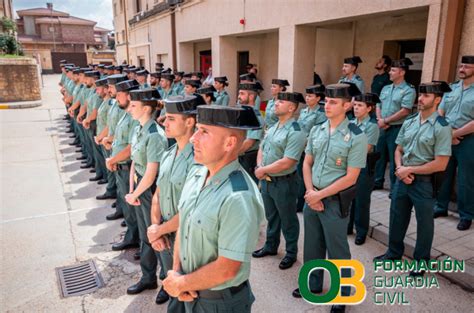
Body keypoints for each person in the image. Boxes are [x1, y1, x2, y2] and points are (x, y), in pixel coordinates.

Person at [162, 105, 264, 313]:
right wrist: (177, 273)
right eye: (197, 129)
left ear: (230, 143)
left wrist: (181, 284)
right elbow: (185, 224)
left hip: (219, 302)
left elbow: (228, 267)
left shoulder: (238, 197)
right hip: (191, 290)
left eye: (204, 132)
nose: (194, 138)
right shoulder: (198, 173)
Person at [293, 83, 367, 313]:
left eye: (334, 102)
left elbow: (351, 177)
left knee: (338, 250)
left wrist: (319, 195)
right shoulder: (317, 129)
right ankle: (313, 285)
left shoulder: (356, 136)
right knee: (312, 245)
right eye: (327, 100)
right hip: (312, 196)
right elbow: (307, 162)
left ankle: (342, 294)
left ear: (347, 105)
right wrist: (310, 192)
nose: (327, 105)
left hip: (334, 202)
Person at [374, 81, 452, 276]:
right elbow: (398, 149)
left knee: (424, 223)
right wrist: (401, 169)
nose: (420, 98)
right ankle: (393, 254)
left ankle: (421, 262)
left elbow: (441, 163)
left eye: (426, 96)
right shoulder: (409, 121)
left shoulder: (442, 127)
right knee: (397, 218)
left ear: (438, 100)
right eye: (420, 94)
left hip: (424, 183)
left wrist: (410, 170)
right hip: (402, 178)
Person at [147, 95, 201, 311]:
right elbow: (157, 195)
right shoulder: (169, 153)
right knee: (173, 291)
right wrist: (156, 230)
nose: (163, 122)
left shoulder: (198, 160)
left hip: (187, 239)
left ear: (189, 122)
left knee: (189, 297)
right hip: (166, 235)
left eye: (170, 118)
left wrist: (159, 229)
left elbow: (190, 211)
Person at [252, 92, 306, 270]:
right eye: (276, 101)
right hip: (267, 180)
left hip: (284, 182)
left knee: (288, 219)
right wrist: (260, 166)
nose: (275, 104)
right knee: (271, 216)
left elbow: (288, 161)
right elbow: (262, 147)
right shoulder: (274, 127)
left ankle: (291, 253)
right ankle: (271, 246)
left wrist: (262, 170)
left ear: (291, 107)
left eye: (280, 101)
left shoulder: (296, 131)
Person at [125, 88, 169, 295]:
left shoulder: (155, 135)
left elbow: (151, 175)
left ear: (146, 108)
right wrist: (132, 189)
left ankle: (166, 280)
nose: (129, 108)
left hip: (150, 190)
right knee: (145, 236)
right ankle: (149, 277)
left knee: (156, 236)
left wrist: (135, 194)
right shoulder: (138, 128)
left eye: (133, 106)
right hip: (139, 187)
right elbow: (135, 161)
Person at [434, 55, 474, 231]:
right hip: (447, 137)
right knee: (444, 173)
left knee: (466, 179)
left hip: (468, 140)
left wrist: (455, 134)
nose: (461, 69)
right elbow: (440, 112)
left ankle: (466, 215)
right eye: (461, 66)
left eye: (466, 66)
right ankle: (441, 207)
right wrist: (447, 134)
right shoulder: (452, 88)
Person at [105, 79, 141, 259]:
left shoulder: (134, 117)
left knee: (134, 210)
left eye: (118, 94)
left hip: (127, 167)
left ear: (128, 95)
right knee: (128, 208)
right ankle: (132, 236)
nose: (116, 97)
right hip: (120, 165)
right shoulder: (125, 114)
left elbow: (131, 147)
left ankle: (136, 239)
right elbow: (121, 141)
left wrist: (113, 158)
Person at [374, 58, 416, 193]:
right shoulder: (386, 88)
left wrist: (386, 121)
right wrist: (380, 120)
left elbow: (405, 110)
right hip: (382, 126)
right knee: (378, 155)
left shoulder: (408, 90)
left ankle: (394, 188)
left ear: (402, 72)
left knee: (394, 159)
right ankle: (377, 181)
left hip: (397, 128)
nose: (390, 72)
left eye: (393, 70)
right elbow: (378, 104)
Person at [347, 93, 381, 245]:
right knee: (348, 198)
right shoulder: (351, 122)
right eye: (355, 105)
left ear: (369, 108)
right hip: (349, 165)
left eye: (360, 105)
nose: (356, 108)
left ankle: (361, 231)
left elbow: (366, 148)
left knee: (361, 200)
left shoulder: (372, 126)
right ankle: (348, 226)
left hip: (364, 167)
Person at [295, 84, 327, 211]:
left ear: (318, 98)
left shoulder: (321, 113)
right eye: (306, 96)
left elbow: (318, 132)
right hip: (300, 147)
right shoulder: (304, 111)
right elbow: (298, 127)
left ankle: (306, 202)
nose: (307, 98)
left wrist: (304, 142)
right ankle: (299, 202)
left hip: (310, 147)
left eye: (310, 96)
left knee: (308, 176)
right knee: (299, 174)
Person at [237, 82, 265, 182]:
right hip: (239, 155)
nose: (239, 97)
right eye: (239, 93)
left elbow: (249, 142)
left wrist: (232, 154)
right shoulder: (243, 113)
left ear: (251, 96)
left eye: (242, 94)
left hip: (248, 157)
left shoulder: (255, 116)